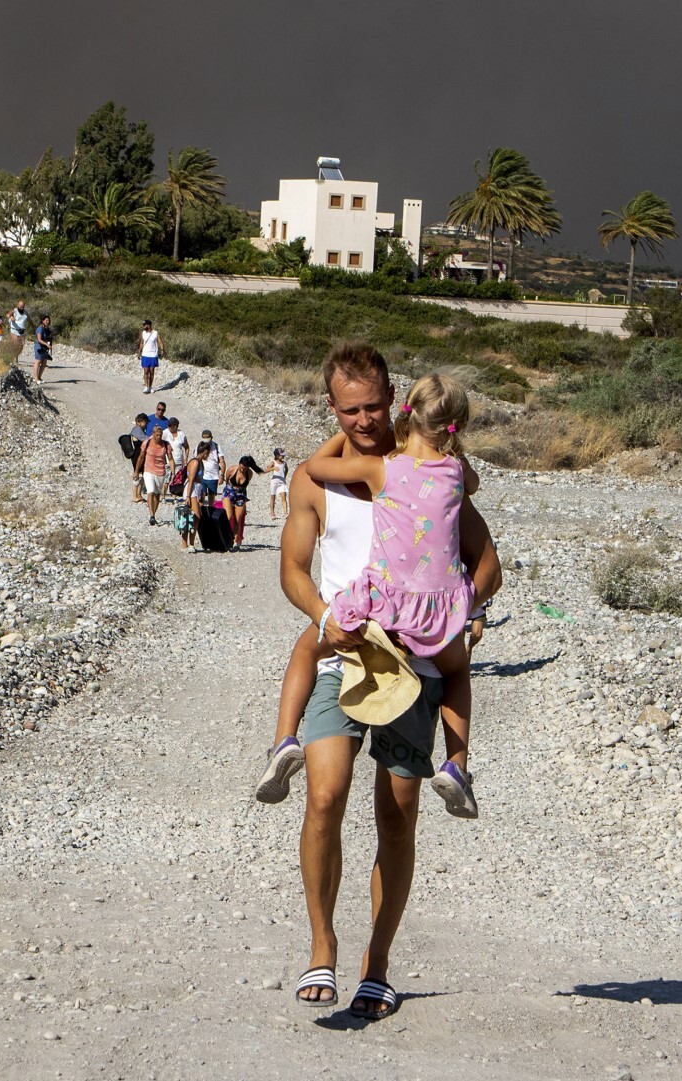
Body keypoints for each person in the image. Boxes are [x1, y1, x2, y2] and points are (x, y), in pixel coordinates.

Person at [274, 342, 500, 1020]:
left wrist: (465, 612)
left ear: (393, 396)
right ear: (332, 408)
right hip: (343, 651)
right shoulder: (319, 480)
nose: (365, 419)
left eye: (375, 405)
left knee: (396, 816)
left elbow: (486, 562)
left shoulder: (427, 468)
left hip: (418, 665)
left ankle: (377, 963)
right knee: (324, 795)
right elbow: (292, 569)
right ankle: (322, 942)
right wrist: (322, 616)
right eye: (350, 410)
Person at [216, 455, 265, 547]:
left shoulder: (249, 473)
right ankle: (224, 537)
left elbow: (245, 485)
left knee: (238, 520)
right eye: (241, 468)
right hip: (229, 492)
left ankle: (234, 541)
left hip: (241, 495)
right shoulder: (232, 470)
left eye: (244, 469)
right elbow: (227, 480)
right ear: (239, 464)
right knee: (229, 516)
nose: (242, 470)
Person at [135, 426, 172, 526]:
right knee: (150, 492)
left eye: (160, 435)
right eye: (157, 435)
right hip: (148, 470)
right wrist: (136, 471)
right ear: (153, 434)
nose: (159, 437)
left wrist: (173, 471)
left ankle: (153, 515)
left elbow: (170, 458)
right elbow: (141, 457)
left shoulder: (166, 444)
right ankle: (151, 515)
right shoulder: (146, 443)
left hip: (161, 471)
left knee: (157, 494)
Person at [162, 418, 190, 499]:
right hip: (168, 461)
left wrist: (186, 457)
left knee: (176, 480)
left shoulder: (181, 434)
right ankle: (163, 496)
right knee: (166, 479)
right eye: (169, 426)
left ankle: (174, 497)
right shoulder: (165, 433)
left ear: (176, 426)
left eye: (171, 426)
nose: (169, 427)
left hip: (178, 460)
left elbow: (186, 447)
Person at [125, 413, 149, 504]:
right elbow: (144, 439)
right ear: (139, 422)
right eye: (145, 422)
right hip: (136, 455)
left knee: (141, 474)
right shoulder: (137, 430)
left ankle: (139, 495)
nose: (146, 424)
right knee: (137, 474)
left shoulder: (140, 430)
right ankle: (135, 495)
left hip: (139, 455)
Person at [138, 319, 163, 394]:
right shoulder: (143, 333)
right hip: (145, 354)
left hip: (153, 355)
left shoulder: (156, 333)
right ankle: (146, 387)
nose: (143, 326)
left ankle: (150, 386)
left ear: (149, 325)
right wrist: (139, 352)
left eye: (144, 325)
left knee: (151, 371)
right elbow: (142, 343)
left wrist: (162, 350)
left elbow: (160, 342)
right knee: (146, 371)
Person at [267, 448, 291, 521]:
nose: (283, 457)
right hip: (274, 481)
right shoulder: (273, 462)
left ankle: (286, 512)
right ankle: (272, 513)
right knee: (273, 497)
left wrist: (284, 476)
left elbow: (286, 469)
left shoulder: (284, 463)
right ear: (277, 456)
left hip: (282, 481)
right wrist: (273, 468)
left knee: (283, 496)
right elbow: (266, 470)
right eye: (281, 455)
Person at [32, 315, 54, 384]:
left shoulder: (46, 329)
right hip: (39, 346)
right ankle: (35, 378)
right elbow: (39, 339)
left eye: (48, 320)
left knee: (44, 363)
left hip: (44, 347)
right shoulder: (40, 328)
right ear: (43, 321)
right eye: (46, 320)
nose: (47, 322)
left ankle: (39, 377)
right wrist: (46, 344)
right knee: (38, 362)